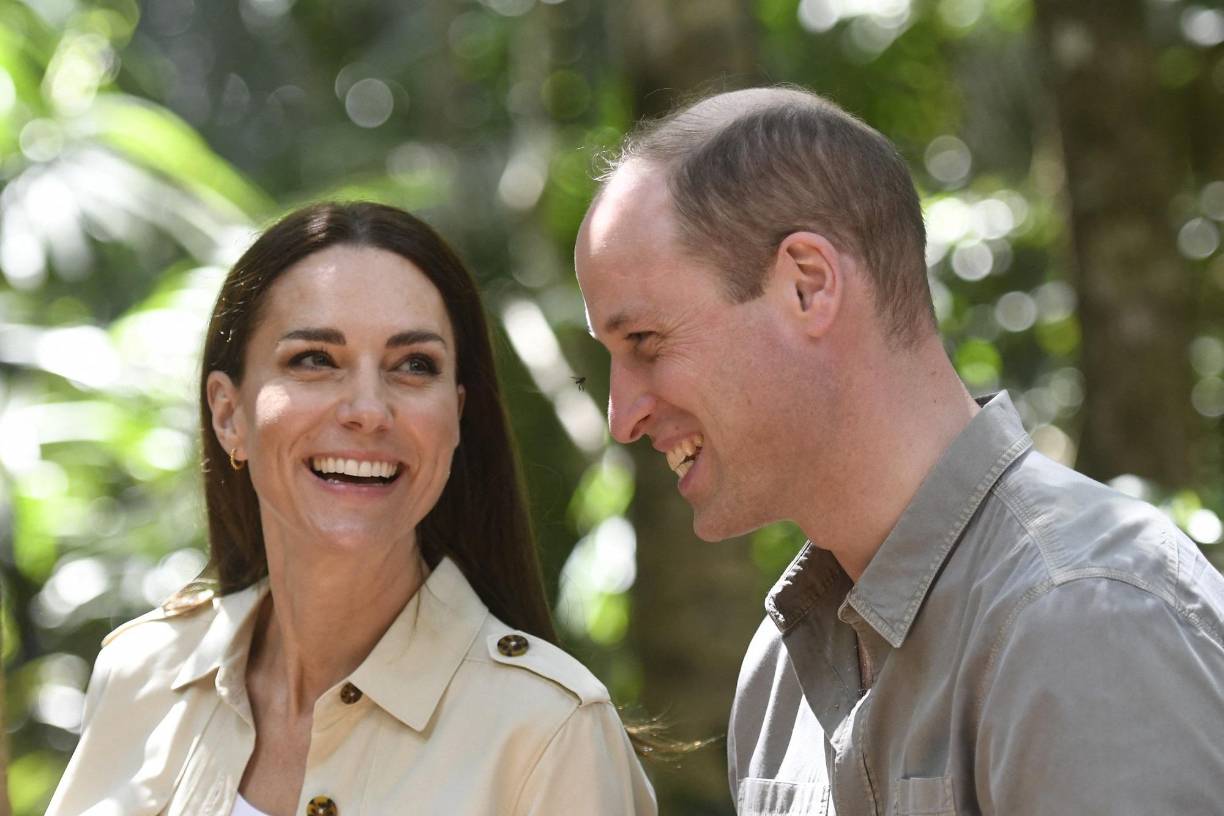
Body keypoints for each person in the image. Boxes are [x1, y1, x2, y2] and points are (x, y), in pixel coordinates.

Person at [575, 86, 1224, 815]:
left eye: (645, 344)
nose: (622, 416)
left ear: (807, 285)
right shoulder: (778, 675)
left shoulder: (1084, 614)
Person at [48, 201, 656, 816]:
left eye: (414, 366)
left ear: (457, 418)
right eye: (315, 359)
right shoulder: (139, 674)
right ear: (229, 414)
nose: (368, 409)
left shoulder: (550, 733)